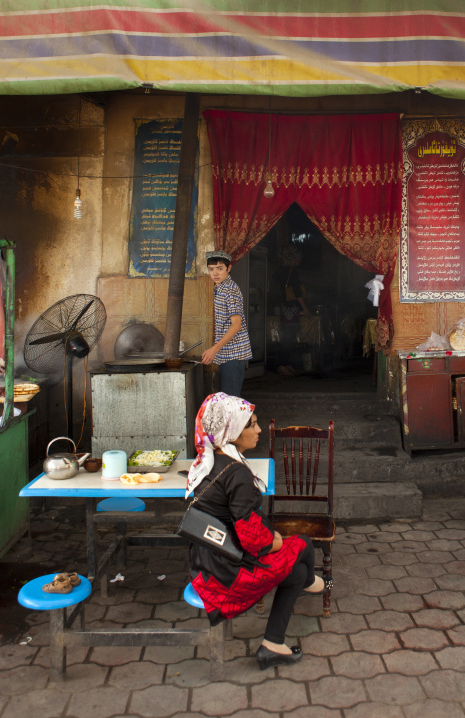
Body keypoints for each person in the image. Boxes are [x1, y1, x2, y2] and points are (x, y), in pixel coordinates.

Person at [185, 392, 325, 670]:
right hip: (226, 576)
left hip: (204, 562)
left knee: (295, 572)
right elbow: (253, 539)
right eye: (252, 425)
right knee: (304, 545)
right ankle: (315, 583)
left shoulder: (206, 461)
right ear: (233, 432)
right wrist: (275, 541)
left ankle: (273, 644)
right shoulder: (237, 473)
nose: (259, 430)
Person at [201, 250, 252, 397]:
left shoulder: (230, 290)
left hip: (234, 354)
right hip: (226, 353)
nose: (215, 273)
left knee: (231, 400)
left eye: (220, 268)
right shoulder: (219, 287)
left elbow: (236, 324)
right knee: (227, 399)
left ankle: (241, 421)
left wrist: (214, 349)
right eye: (211, 269)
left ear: (229, 269)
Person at [273, 245, 311, 376]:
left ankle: (286, 363)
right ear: (293, 258)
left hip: (285, 307)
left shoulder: (280, 271)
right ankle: (281, 365)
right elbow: (297, 291)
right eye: (298, 257)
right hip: (291, 308)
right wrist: (305, 308)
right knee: (288, 338)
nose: (300, 259)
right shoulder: (292, 271)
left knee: (289, 337)